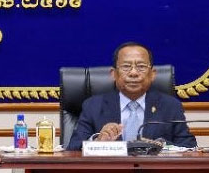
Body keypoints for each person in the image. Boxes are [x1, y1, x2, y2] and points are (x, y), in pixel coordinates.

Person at [66, 41, 197, 150]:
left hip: (154, 172)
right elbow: (73, 147)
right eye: (126, 66)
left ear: (152, 74)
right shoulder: (93, 106)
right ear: (113, 74)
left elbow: (189, 147)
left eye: (141, 66)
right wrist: (97, 141)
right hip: (110, 172)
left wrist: (161, 146)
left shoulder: (171, 106)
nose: (133, 73)